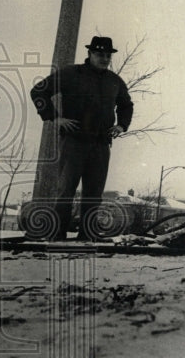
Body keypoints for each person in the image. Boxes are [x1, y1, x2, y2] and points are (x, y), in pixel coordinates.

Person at [29, 36, 133, 240]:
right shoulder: (71, 73)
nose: (104, 58)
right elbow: (38, 91)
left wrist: (121, 125)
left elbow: (126, 105)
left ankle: (87, 236)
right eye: (99, 54)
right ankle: (56, 235)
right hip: (74, 142)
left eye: (107, 55)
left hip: (101, 144)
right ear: (90, 54)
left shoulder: (114, 81)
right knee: (66, 189)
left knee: (94, 194)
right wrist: (54, 118)